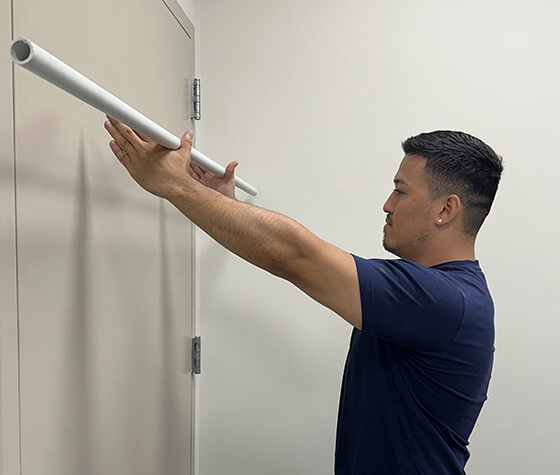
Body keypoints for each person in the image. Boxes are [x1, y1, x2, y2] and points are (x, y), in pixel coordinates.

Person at [103, 116, 503, 474]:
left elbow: (296, 256)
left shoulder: (446, 302)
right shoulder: (442, 295)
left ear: (445, 210)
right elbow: (293, 254)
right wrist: (224, 207)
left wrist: (175, 185)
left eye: (400, 191)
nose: (387, 204)